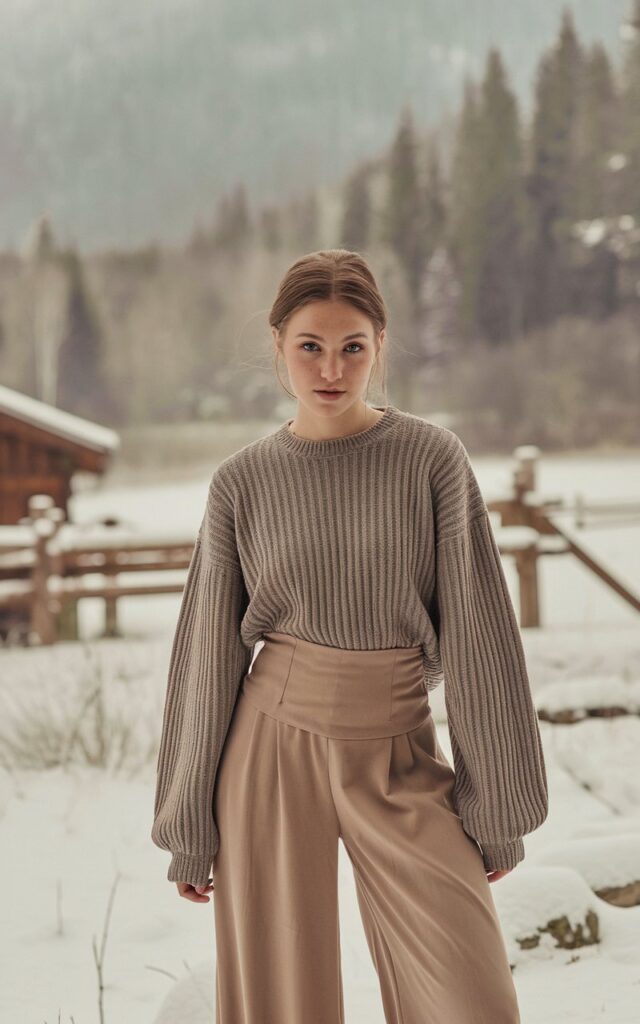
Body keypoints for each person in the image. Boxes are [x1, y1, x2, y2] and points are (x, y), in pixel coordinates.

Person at [151, 248, 549, 1023]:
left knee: (471, 999)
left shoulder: (432, 459)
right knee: (280, 1004)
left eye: (351, 347)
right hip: (270, 747)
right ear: (277, 346)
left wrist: (496, 806)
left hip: (399, 743)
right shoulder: (242, 481)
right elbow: (208, 656)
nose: (331, 368)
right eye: (310, 346)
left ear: (379, 346)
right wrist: (188, 824)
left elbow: (480, 634)